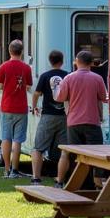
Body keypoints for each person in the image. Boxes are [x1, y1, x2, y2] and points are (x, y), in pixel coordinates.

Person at [55, 50, 109, 185]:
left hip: (73, 122)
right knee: (96, 154)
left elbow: (60, 97)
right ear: (91, 63)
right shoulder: (97, 78)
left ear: (76, 62)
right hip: (92, 122)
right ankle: (96, 183)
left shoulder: (68, 78)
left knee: (76, 155)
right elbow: (104, 97)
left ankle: (77, 183)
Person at [0, 40, 33, 179]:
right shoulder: (26, 68)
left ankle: (6, 169)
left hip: (6, 107)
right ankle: (15, 170)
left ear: (9, 51)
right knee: (17, 140)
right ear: (22, 51)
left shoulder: (4, 66)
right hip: (21, 108)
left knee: (6, 138)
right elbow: (28, 87)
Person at [30, 50, 68, 185]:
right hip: (65, 117)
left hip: (48, 116)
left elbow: (36, 93)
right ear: (62, 61)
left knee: (38, 148)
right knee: (64, 149)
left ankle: (36, 178)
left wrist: (34, 107)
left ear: (50, 61)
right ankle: (60, 180)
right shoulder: (68, 76)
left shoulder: (45, 76)